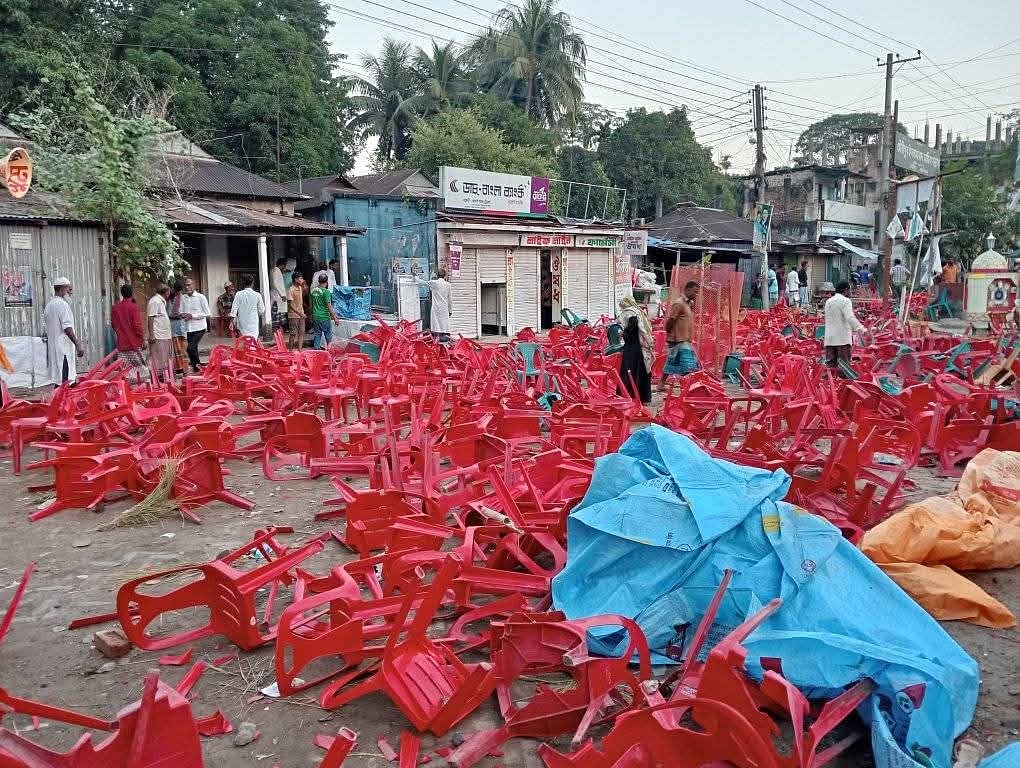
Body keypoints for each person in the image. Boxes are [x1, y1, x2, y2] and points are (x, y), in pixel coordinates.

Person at [43, 277, 84, 385]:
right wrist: (77, 343)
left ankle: (59, 400)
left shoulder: (49, 305)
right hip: (63, 350)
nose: (70, 292)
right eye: (68, 289)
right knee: (66, 381)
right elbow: (67, 327)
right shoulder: (62, 305)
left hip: (55, 348)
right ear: (61, 289)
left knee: (60, 380)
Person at [823, 280, 866, 374]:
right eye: (849, 290)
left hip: (829, 339)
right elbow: (850, 317)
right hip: (842, 340)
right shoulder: (846, 301)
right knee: (845, 369)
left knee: (830, 368)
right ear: (846, 290)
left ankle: (830, 386)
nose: (850, 293)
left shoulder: (828, 301)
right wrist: (862, 329)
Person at [617, 296, 653, 405]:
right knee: (642, 370)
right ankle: (643, 397)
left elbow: (631, 330)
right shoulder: (638, 311)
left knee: (630, 370)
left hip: (632, 347)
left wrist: (623, 334)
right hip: (640, 347)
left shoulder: (629, 313)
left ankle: (630, 395)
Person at [663, 281, 700, 383]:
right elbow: (671, 320)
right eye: (695, 292)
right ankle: (690, 386)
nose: (696, 294)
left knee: (671, 362)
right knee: (688, 364)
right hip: (678, 339)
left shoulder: (687, 304)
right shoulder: (679, 303)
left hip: (684, 339)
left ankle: (661, 384)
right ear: (687, 290)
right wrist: (669, 333)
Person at [110, 283, 148, 383]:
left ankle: (127, 387)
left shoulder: (115, 308)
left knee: (125, 368)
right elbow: (137, 325)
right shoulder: (133, 307)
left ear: (122, 294)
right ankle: (140, 387)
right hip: (134, 343)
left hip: (122, 344)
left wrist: (120, 332)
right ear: (131, 293)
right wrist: (143, 338)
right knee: (140, 368)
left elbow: (113, 325)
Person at [178, 277, 211, 373]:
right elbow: (180, 311)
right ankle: (197, 368)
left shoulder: (201, 297)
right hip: (188, 328)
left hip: (199, 327)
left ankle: (197, 366)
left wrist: (193, 316)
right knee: (193, 348)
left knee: (190, 348)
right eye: (186, 285)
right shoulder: (183, 297)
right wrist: (182, 314)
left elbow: (207, 313)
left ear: (194, 285)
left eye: (189, 285)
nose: (187, 287)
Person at [416, 266, 453, 343]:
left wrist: (415, 276)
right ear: (444, 275)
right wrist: (450, 310)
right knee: (444, 324)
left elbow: (422, 282)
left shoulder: (434, 283)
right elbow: (450, 299)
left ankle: (437, 339)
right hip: (444, 307)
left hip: (436, 307)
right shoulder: (448, 285)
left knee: (436, 324)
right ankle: (445, 339)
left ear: (437, 275)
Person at [147, 284, 173, 381]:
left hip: (164, 335)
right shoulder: (155, 301)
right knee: (158, 359)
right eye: (169, 292)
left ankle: (163, 378)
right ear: (166, 292)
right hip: (158, 335)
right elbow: (150, 318)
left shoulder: (161, 301)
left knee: (164, 359)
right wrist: (151, 334)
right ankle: (157, 379)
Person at [230, 274, 265, 341]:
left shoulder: (238, 294)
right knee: (253, 341)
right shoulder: (257, 295)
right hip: (253, 322)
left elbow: (234, 310)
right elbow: (262, 310)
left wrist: (232, 322)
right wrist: (255, 313)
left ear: (243, 283)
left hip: (242, 322)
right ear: (252, 283)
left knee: (244, 341)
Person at [309, 273, 338, 349]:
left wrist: (311, 315)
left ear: (319, 281)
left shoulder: (313, 291)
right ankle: (329, 352)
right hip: (324, 317)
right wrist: (335, 317)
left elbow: (311, 305)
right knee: (328, 336)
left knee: (317, 334)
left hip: (316, 316)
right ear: (327, 281)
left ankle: (317, 352)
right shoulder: (326, 292)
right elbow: (329, 306)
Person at [168, 280, 189, 375]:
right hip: (173, 326)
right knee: (176, 349)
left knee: (182, 349)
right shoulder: (170, 299)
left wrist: (180, 315)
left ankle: (185, 370)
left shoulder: (183, 298)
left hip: (180, 326)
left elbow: (186, 313)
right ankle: (179, 368)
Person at [287, 273, 307, 350]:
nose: (302, 280)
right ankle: (290, 351)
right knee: (293, 334)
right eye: (300, 278)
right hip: (293, 315)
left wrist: (302, 314)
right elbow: (290, 305)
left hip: (301, 314)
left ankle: (300, 350)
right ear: (295, 279)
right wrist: (300, 313)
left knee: (301, 333)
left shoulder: (300, 288)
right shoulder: (291, 290)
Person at [270, 258, 288, 327]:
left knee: (277, 316)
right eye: (285, 265)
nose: (285, 267)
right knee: (277, 318)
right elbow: (276, 283)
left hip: (276, 295)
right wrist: (282, 295)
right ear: (282, 265)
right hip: (277, 296)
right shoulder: (276, 271)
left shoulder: (274, 270)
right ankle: (276, 332)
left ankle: (278, 331)